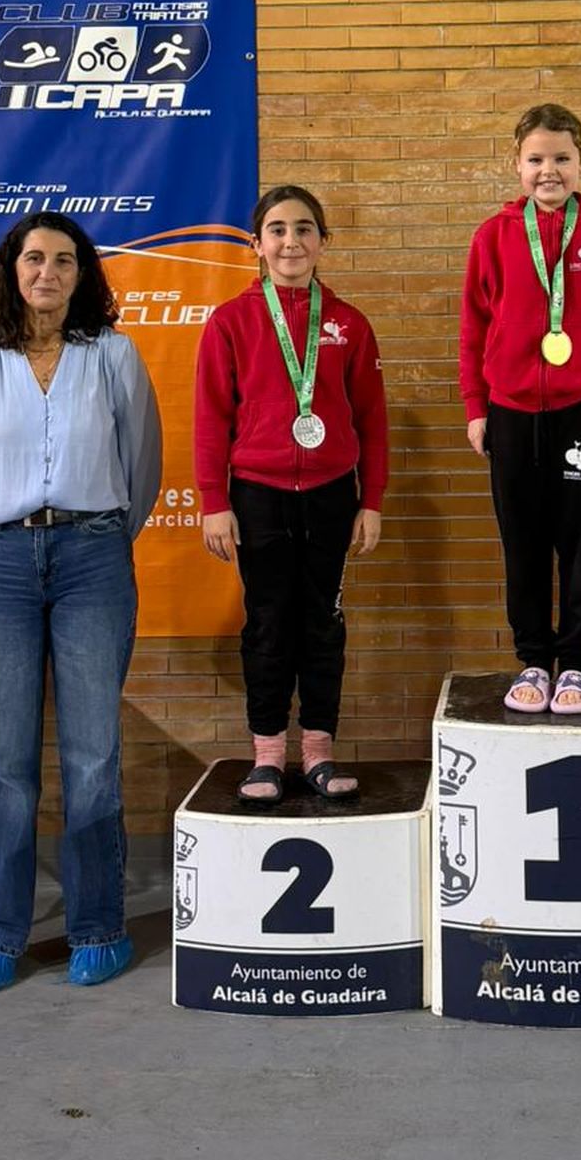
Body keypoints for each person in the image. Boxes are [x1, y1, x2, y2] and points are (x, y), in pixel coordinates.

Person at [0, 214, 162, 993]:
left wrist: (101, 532)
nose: (48, 272)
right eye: (35, 258)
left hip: (94, 556)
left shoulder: (114, 355)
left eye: (65, 260)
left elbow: (143, 463)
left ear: (82, 275)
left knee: (92, 756)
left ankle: (98, 923)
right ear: (11, 269)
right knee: (7, 762)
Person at [195, 185, 388, 804]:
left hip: (332, 494)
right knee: (269, 622)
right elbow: (210, 418)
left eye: (304, 229)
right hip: (257, 494)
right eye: (276, 229)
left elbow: (372, 420)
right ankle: (268, 755)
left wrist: (372, 499)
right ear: (256, 244)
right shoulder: (231, 322)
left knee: (323, 623)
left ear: (323, 242)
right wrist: (213, 500)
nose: (290, 241)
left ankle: (320, 753)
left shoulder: (349, 324)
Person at [460, 102, 581, 715]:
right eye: (536, 159)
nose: (549, 171)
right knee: (523, 541)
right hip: (510, 412)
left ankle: (575, 666)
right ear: (516, 165)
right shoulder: (493, 237)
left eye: (561, 158)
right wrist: (476, 405)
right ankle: (534, 661)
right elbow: (472, 328)